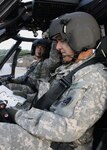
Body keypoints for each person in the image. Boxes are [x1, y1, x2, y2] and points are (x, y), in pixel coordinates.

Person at [0, 11, 107, 150]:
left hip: (62, 144)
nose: (57, 47)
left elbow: (68, 128)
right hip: (47, 132)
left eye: (62, 40)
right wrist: (17, 104)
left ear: (81, 38)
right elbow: (49, 101)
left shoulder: (94, 77)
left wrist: (19, 115)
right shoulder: (70, 69)